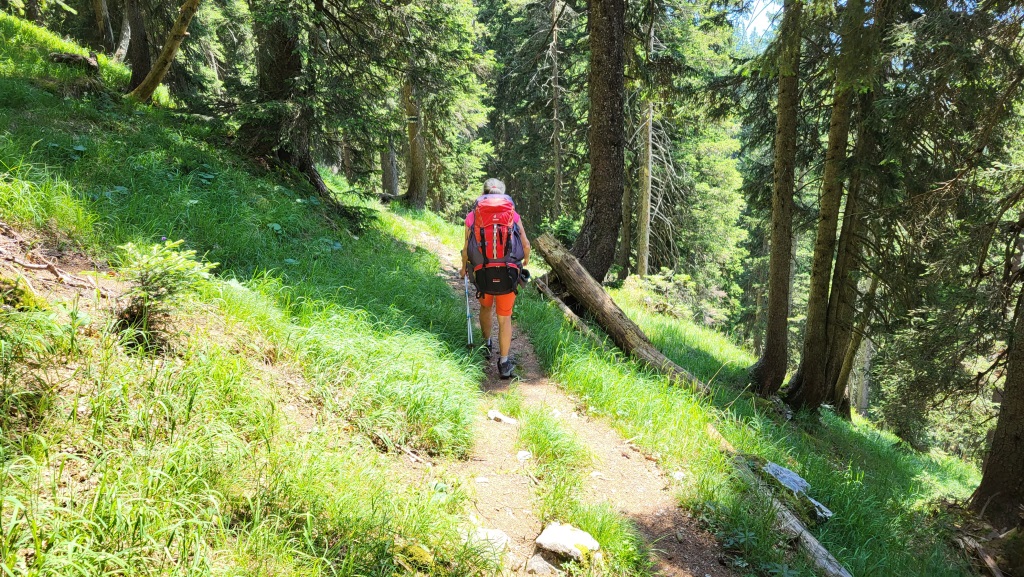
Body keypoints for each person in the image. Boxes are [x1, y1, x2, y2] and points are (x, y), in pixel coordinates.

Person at [459, 178, 531, 378]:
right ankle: (504, 362)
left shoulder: (472, 217)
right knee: (504, 317)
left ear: (483, 195)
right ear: (502, 194)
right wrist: (525, 261)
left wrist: (464, 267)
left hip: (482, 272)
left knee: (485, 307)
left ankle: (487, 344)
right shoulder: (513, 215)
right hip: (508, 273)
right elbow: (526, 245)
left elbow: (466, 249)